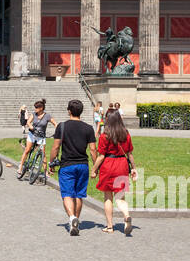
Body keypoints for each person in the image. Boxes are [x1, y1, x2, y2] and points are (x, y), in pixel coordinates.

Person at [49, 99, 96, 236]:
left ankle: (71, 218)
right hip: (83, 165)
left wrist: (51, 162)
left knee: (67, 194)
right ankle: (76, 220)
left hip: (67, 165)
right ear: (81, 111)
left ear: (69, 111)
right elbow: (93, 150)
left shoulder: (62, 126)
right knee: (79, 195)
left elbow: (56, 147)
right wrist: (95, 167)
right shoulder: (88, 128)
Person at [91, 107, 136, 235]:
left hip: (109, 165)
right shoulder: (126, 134)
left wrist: (94, 170)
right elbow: (130, 154)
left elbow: (101, 156)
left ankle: (110, 226)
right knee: (120, 196)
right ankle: (126, 215)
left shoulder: (105, 135)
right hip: (122, 164)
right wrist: (133, 168)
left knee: (108, 196)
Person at [19, 99, 56, 175]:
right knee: (27, 150)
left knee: (43, 153)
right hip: (32, 134)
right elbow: (28, 122)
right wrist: (30, 126)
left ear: (41, 108)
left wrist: (58, 129)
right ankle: (20, 167)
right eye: (35, 107)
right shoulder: (34, 114)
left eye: (36, 108)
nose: (35, 109)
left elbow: (55, 123)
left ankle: (45, 172)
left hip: (41, 136)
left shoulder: (47, 116)